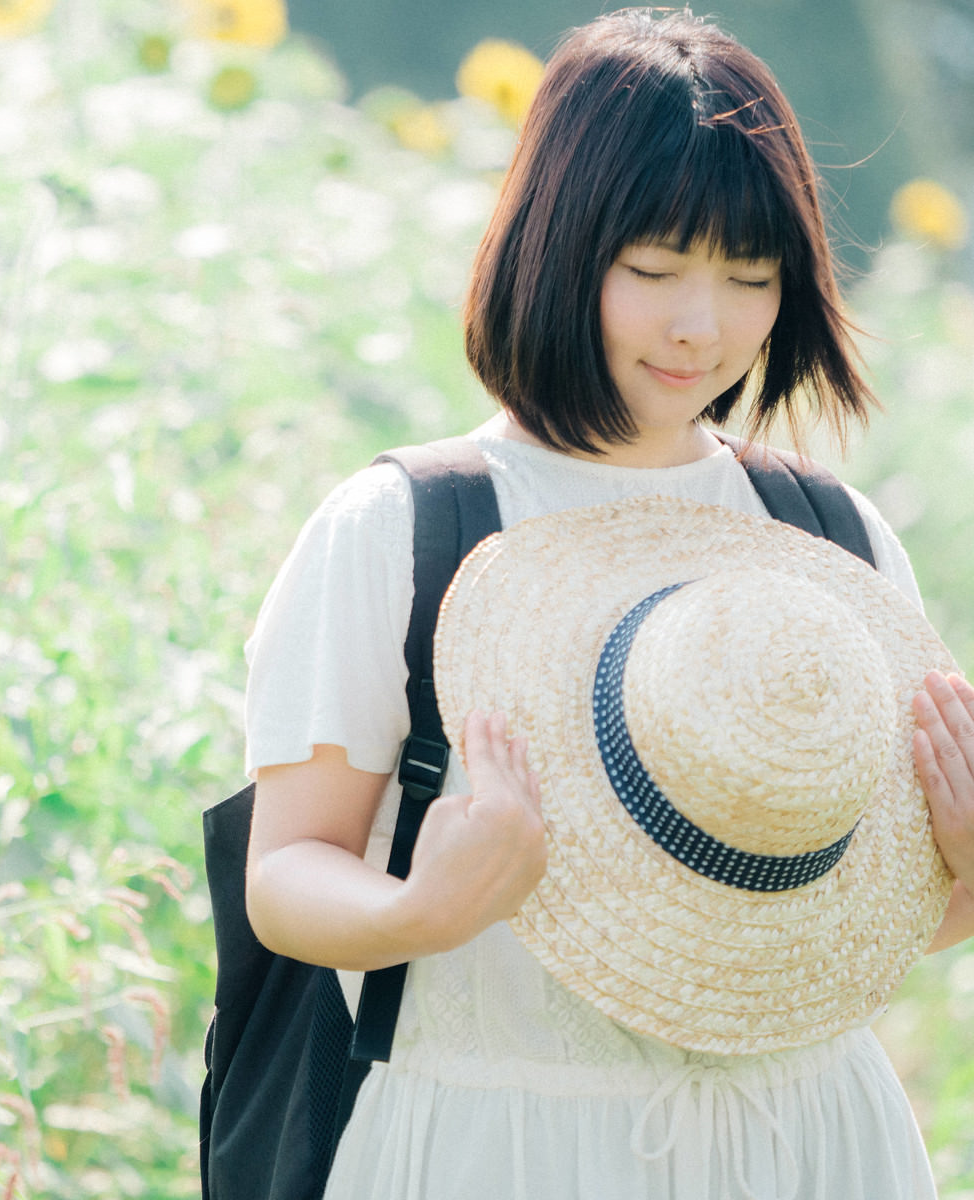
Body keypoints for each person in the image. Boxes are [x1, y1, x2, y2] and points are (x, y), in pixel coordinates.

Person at [241, 8, 974, 1198]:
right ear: (556, 245)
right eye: (654, 269)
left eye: (750, 277)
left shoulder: (828, 538)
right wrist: (418, 912)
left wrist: (964, 876)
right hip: (501, 1149)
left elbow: (819, 951)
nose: (705, 326)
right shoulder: (409, 530)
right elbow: (286, 873)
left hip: (814, 1143)